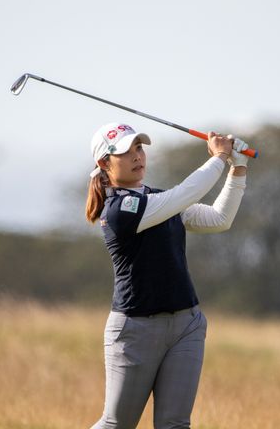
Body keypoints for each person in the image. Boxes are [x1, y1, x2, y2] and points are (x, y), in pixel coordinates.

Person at [86, 122, 249, 429]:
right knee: (117, 423)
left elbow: (218, 219)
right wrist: (217, 157)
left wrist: (237, 170)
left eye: (139, 148)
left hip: (186, 326)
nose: (137, 156)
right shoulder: (119, 210)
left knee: (175, 425)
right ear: (104, 163)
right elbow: (183, 195)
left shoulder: (157, 199)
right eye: (125, 151)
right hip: (135, 331)